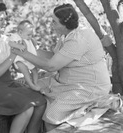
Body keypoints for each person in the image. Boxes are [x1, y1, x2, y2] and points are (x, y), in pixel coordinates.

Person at [13, 3, 123, 132]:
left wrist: (23, 53)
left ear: (65, 24)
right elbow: (55, 56)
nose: (52, 25)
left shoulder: (79, 38)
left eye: (54, 22)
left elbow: (51, 66)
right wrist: (29, 49)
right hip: (66, 82)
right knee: (26, 86)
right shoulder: (66, 35)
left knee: (52, 113)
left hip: (89, 87)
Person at [0, 3, 46, 133]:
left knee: (40, 101)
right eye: (0, 19)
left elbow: (19, 63)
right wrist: (13, 55)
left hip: (7, 83)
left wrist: (29, 50)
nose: (4, 22)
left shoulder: (7, 40)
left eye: (5, 19)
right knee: (27, 106)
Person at [9, 20, 40, 91]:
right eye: (28, 35)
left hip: (29, 58)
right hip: (20, 60)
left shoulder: (29, 39)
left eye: (31, 34)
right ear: (20, 32)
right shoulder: (16, 37)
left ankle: (35, 82)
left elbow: (33, 46)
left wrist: (34, 43)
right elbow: (10, 43)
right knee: (25, 71)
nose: (30, 36)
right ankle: (31, 84)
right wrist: (18, 46)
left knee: (35, 70)